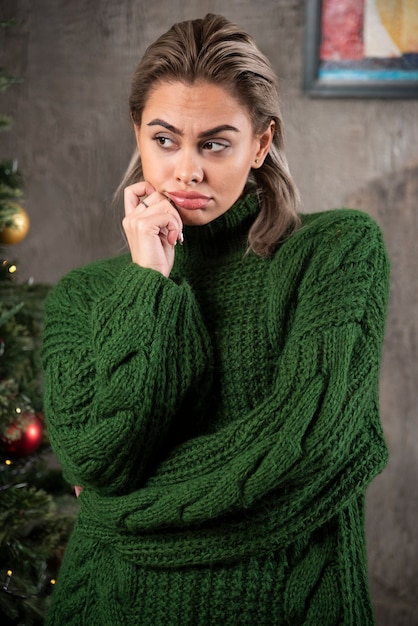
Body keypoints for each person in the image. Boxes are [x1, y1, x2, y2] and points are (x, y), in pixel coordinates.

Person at [41, 13, 390, 626]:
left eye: (216, 143)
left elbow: (299, 452)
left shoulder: (335, 253)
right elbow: (99, 456)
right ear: (138, 134)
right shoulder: (86, 296)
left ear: (261, 142)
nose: (187, 171)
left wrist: (110, 510)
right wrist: (149, 278)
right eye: (165, 140)